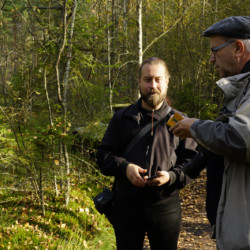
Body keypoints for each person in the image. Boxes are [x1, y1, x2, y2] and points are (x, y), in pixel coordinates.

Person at [97, 57, 197, 250]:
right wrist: (125, 169)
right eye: (147, 79)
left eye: (158, 79)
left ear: (167, 81)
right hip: (126, 207)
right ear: (139, 82)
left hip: (165, 207)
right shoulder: (121, 118)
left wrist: (171, 176)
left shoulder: (180, 121)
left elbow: (192, 162)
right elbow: (103, 156)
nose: (153, 85)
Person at [170, 16, 250, 250]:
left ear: (237, 48)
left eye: (215, 51)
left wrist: (195, 127)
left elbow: (241, 139)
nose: (211, 59)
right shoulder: (242, 89)